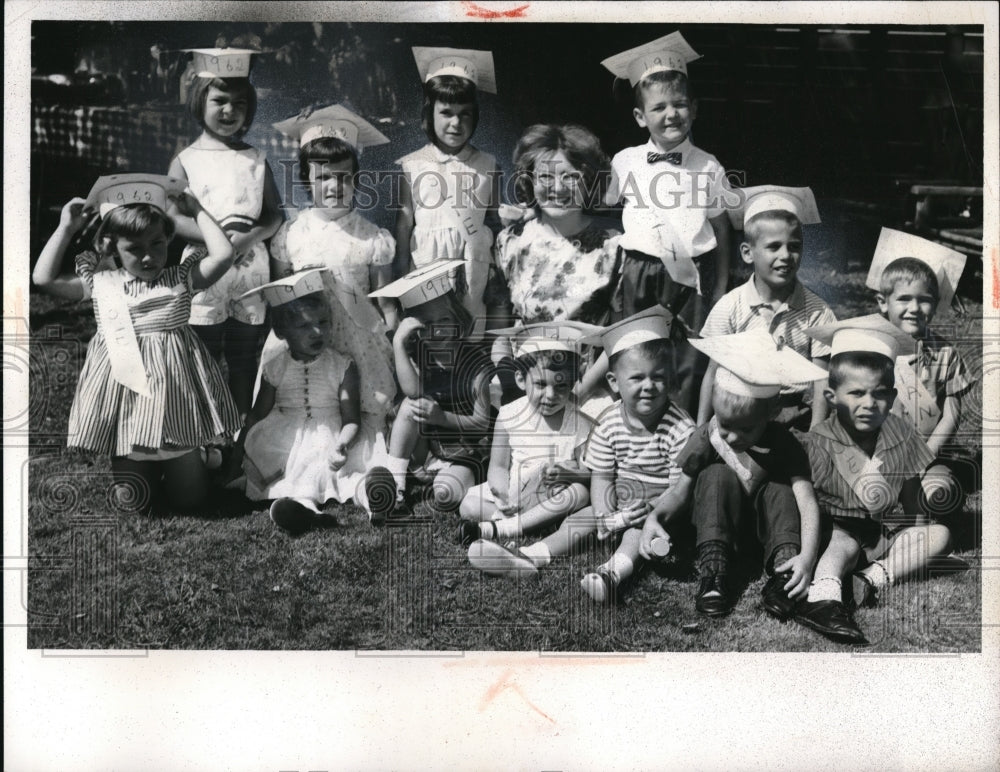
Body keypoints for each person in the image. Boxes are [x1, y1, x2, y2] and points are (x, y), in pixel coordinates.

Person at [31, 174, 241, 515]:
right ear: (111, 246)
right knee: (134, 506)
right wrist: (65, 229)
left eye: (156, 244)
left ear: (168, 238)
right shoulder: (102, 283)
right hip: (127, 410)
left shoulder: (179, 279)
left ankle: (204, 456)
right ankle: (162, 462)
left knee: (191, 503)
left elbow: (224, 254)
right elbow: (43, 279)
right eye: (134, 248)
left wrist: (198, 210)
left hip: (176, 407)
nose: (148, 257)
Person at [468, 308, 696, 606]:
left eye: (658, 378)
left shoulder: (680, 428)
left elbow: (680, 489)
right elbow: (601, 474)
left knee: (635, 535)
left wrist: (651, 511)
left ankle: (611, 575)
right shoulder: (610, 421)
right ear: (614, 383)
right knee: (576, 522)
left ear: (672, 381)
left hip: (658, 510)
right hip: (615, 500)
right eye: (637, 378)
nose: (648, 386)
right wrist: (603, 513)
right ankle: (530, 557)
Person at [794, 316, 961, 644]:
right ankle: (824, 596)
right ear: (832, 397)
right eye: (856, 393)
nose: (869, 404)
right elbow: (815, 498)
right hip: (843, 530)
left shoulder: (902, 434)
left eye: (880, 394)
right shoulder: (825, 438)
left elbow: (914, 500)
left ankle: (870, 579)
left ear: (894, 394)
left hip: (886, 531)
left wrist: (915, 534)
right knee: (842, 546)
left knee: (939, 535)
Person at [639, 329, 825, 618]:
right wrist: (655, 517)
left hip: (765, 532)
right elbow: (680, 490)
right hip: (719, 526)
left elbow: (807, 503)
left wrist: (808, 558)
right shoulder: (709, 436)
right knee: (716, 475)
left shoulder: (784, 443)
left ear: (771, 413)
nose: (733, 437)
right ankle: (713, 571)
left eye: (746, 428)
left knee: (782, 488)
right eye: (725, 424)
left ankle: (785, 569)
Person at [601, 32, 733, 415]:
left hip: (692, 276)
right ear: (641, 117)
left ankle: (681, 430)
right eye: (659, 107)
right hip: (639, 272)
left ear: (694, 108)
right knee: (635, 349)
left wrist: (721, 287)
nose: (671, 114)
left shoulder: (708, 165)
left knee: (687, 354)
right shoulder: (624, 161)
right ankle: (631, 428)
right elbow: (606, 210)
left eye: (679, 105)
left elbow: (723, 229)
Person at [168, 48, 284, 417]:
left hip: (250, 270)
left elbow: (275, 215)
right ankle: (202, 427)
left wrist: (249, 237)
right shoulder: (186, 159)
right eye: (219, 101)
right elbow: (170, 218)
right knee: (202, 353)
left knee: (243, 354)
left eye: (239, 103)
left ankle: (237, 432)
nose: (229, 111)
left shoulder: (255, 158)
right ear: (200, 100)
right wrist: (213, 239)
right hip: (204, 270)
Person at [267, 104, 399, 427]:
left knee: (364, 415)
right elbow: (278, 296)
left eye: (343, 177)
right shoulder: (291, 234)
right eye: (323, 177)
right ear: (305, 179)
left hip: (359, 341)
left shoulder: (372, 238)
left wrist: (395, 345)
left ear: (356, 180)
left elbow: (385, 302)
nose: (333, 186)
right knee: (312, 410)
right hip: (306, 338)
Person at [490, 123, 620, 409]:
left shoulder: (614, 247)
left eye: (570, 177)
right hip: (526, 391)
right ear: (529, 181)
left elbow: (622, 335)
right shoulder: (510, 243)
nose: (558, 188)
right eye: (545, 177)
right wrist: (510, 380)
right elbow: (500, 329)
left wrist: (578, 394)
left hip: (590, 394)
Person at [228, 271, 370, 535]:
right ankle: (304, 508)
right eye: (304, 326)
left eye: (323, 322)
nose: (318, 331)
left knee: (337, 468)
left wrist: (343, 442)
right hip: (285, 432)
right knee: (299, 462)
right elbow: (259, 412)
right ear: (282, 332)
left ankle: (372, 500)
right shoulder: (276, 366)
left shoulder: (342, 365)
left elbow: (351, 419)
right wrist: (239, 449)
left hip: (328, 430)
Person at [364, 260, 496, 523]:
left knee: (445, 494)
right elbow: (413, 393)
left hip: (468, 449)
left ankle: (441, 480)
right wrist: (400, 343)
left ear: (458, 317)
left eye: (444, 319)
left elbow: (482, 423)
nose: (437, 330)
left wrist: (440, 418)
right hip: (431, 446)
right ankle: (397, 486)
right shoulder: (420, 355)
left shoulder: (476, 361)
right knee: (410, 406)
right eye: (425, 324)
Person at [699, 186, 837, 431]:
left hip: (793, 416)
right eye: (773, 247)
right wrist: (701, 428)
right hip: (738, 410)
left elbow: (821, 380)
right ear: (747, 253)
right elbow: (713, 372)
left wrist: (817, 435)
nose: (786, 255)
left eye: (794, 246)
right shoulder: (730, 307)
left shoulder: (817, 312)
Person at [457, 322, 597, 547]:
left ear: (572, 383)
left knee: (579, 494)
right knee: (468, 504)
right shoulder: (509, 415)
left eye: (561, 386)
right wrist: (501, 493)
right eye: (541, 384)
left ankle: (503, 527)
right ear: (521, 380)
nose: (551, 395)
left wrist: (569, 474)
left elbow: (591, 474)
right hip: (515, 491)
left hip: (551, 494)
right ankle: (520, 522)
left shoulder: (580, 424)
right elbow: (499, 466)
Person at [394, 46, 501, 324]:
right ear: (430, 113)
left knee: (469, 333)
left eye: (465, 114)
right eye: (446, 112)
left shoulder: (488, 164)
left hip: (473, 269)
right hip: (428, 265)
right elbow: (405, 222)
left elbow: (494, 219)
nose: (456, 123)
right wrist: (402, 273)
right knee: (431, 338)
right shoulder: (412, 165)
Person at [865, 227, 974, 455]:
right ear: (883, 302)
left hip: (927, 452)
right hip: (875, 452)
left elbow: (952, 413)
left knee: (938, 488)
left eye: (924, 300)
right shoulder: (867, 349)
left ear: (935, 304)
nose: (914, 309)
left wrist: (926, 456)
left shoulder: (946, 355)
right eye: (904, 299)